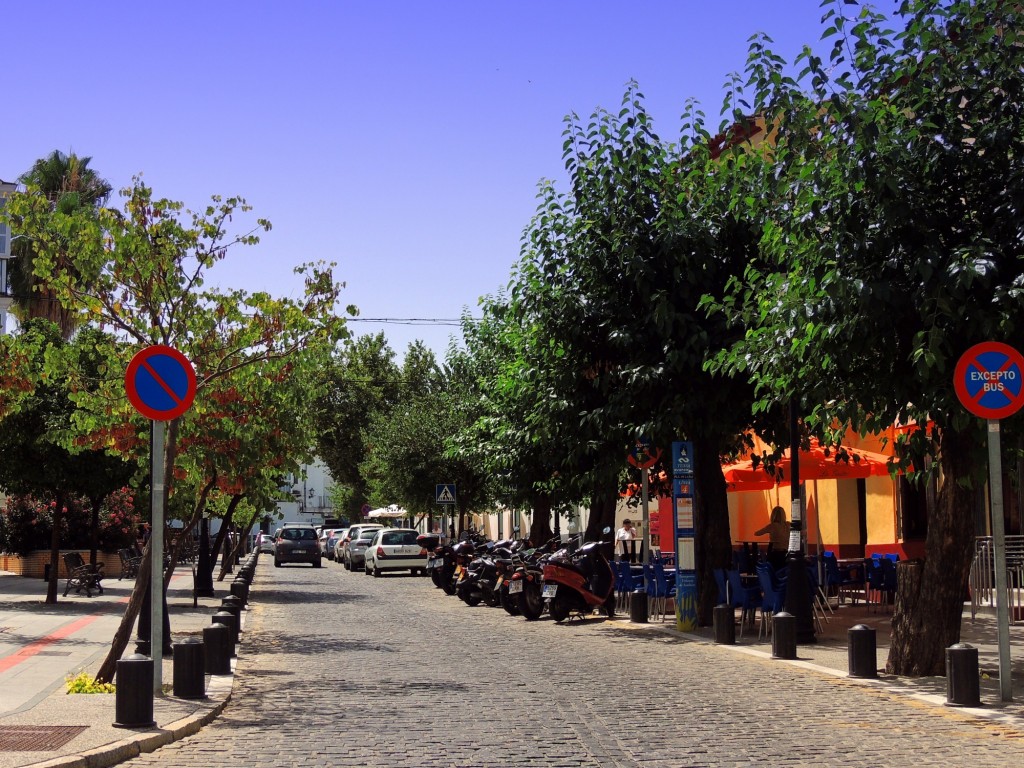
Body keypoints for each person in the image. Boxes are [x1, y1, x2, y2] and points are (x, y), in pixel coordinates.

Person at [755, 506, 789, 571]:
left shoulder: (772, 526)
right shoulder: (788, 525)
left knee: (772, 570)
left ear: (773, 515)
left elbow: (757, 533)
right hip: (786, 554)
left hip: (775, 554)